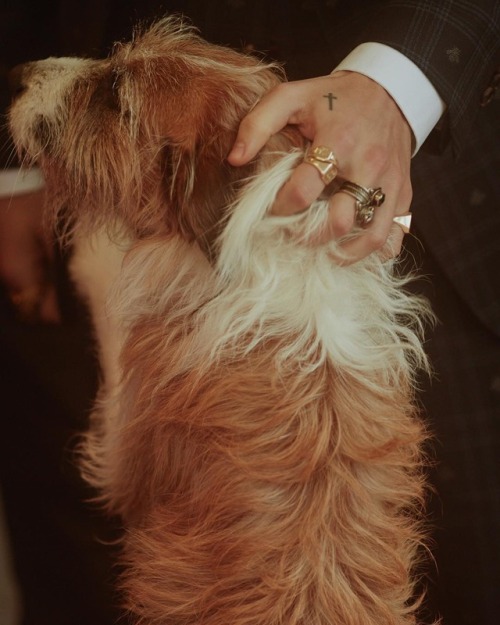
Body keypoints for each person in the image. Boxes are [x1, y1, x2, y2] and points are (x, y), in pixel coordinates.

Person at [1, 1, 498, 624]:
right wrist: (13, 180)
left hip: (398, 157)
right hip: (170, 184)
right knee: (74, 578)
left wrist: (398, 87)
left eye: (111, 93)